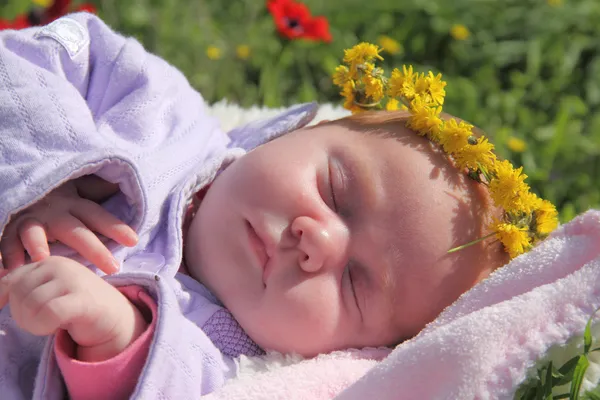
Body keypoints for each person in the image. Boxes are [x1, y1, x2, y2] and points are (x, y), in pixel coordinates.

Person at [0, 13, 537, 400]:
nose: (317, 241)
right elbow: (37, 60)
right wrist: (53, 173)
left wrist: (118, 337)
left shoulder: (223, 360)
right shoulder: (158, 113)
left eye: (355, 282)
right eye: (335, 191)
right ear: (295, 132)